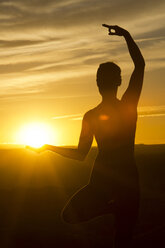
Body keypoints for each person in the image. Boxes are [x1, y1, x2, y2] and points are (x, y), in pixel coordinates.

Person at [27, 25, 145, 247]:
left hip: (102, 182)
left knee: (71, 216)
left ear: (98, 84)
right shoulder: (127, 107)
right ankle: (114, 208)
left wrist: (48, 147)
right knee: (123, 238)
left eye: (100, 78)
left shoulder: (92, 115)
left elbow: (80, 154)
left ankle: (112, 208)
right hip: (126, 179)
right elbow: (140, 65)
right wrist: (127, 36)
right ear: (118, 82)